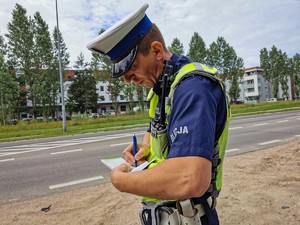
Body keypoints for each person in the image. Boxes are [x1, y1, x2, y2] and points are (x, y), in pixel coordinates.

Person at [87, 3, 230, 225]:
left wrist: (121, 181)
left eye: (131, 66)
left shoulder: (192, 88)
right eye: (122, 74)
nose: (128, 80)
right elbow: (156, 134)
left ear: (156, 50)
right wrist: (144, 149)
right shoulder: (162, 88)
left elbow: (190, 178)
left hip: (189, 218)